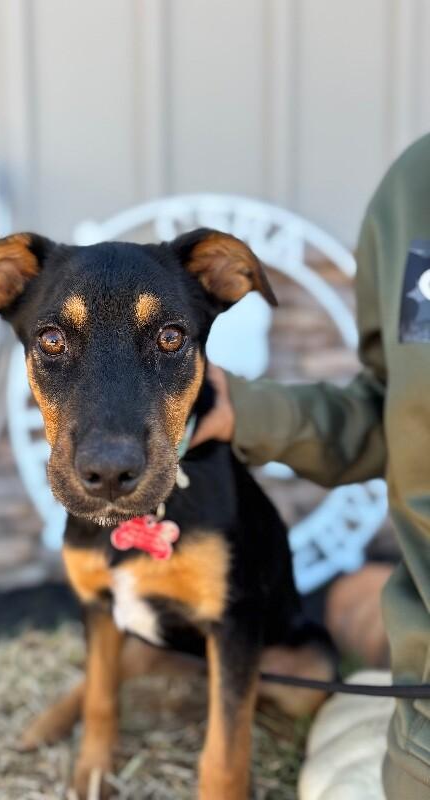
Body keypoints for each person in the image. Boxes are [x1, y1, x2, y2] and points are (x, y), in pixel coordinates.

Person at [191, 133, 430, 798]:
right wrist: (247, 411)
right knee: (353, 598)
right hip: (425, 728)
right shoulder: (417, 189)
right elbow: (402, 412)